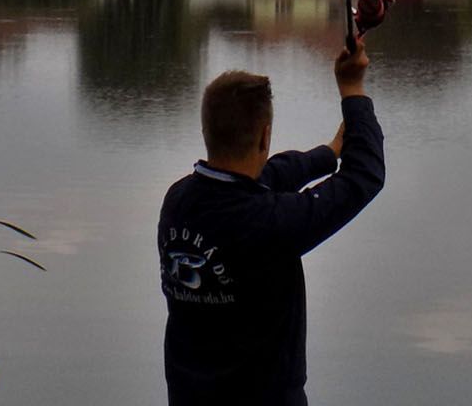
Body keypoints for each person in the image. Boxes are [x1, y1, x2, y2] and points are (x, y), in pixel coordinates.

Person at [159, 43, 385, 405]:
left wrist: (327, 154)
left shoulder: (179, 201)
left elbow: (264, 178)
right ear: (265, 136)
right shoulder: (269, 223)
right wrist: (353, 90)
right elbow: (363, 177)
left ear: (208, 130)